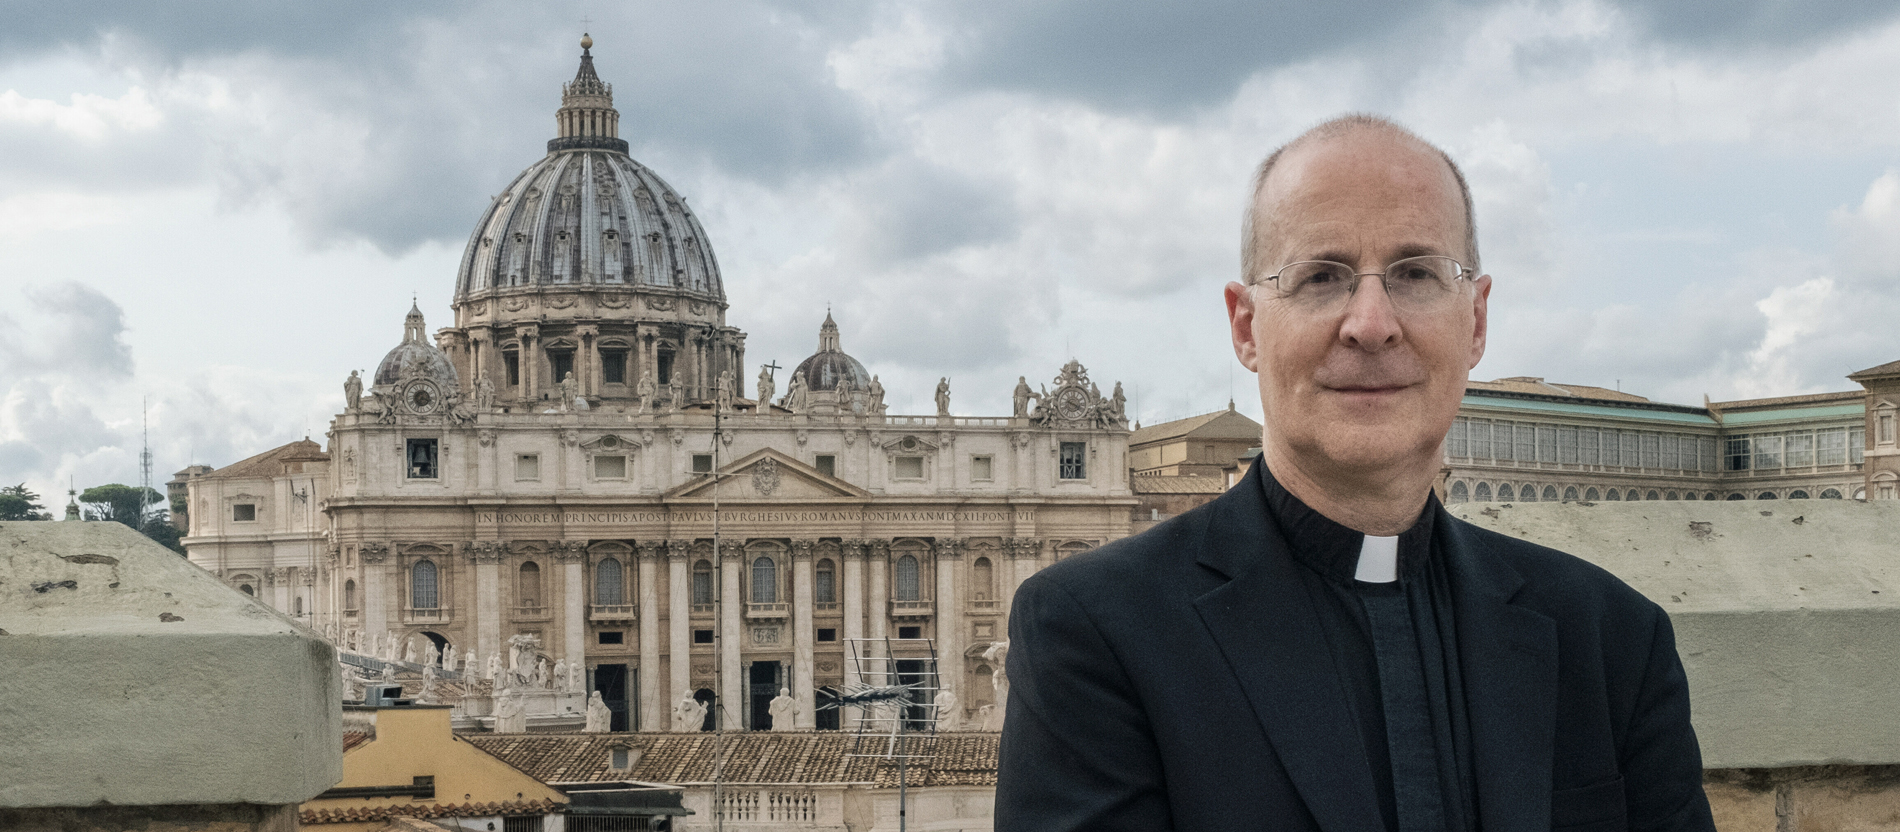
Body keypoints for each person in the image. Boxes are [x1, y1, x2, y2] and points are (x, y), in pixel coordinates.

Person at [995, 115, 1714, 832]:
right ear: (1245, 327)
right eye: (1320, 278)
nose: (1371, 323)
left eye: (1417, 274)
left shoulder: (1611, 637)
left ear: (1476, 321)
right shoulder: (1095, 632)